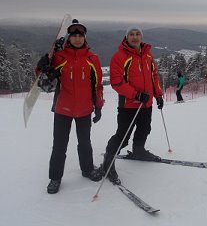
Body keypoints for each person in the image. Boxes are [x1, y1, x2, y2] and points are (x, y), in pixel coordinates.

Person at [36, 19, 104, 194]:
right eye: (74, 36)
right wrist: (43, 63)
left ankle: (87, 169)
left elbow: (97, 85)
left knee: (84, 143)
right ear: (69, 38)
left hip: (84, 109)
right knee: (59, 145)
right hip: (63, 109)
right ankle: (55, 178)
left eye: (80, 35)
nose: (77, 38)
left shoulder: (92, 59)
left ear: (84, 37)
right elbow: (41, 75)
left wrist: (98, 106)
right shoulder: (59, 57)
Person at [100, 26, 164, 185]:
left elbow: (153, 76)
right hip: (128, 105)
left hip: (146, 104)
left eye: (137, 34)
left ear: (141, 37)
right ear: (126, 37)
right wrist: (135, 94)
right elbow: (117, 82)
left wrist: (158, 94)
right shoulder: (119, 57)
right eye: (131, 34)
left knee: (144, 129)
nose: (135, 37)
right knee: (122, 137)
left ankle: (139, 151)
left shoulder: (148, 55)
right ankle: (107, 164)